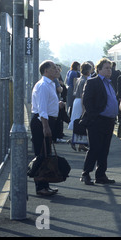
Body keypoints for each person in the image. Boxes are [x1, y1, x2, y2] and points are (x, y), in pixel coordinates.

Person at [80, 58, 118, 185]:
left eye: (110, 68)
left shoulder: (109, 83)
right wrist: (94, 116)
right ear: (99, 69)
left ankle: (101, 175)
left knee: (104, 149)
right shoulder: (93, 82)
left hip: (109, 121)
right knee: (94, 148)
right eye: (107, 68)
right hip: (97, 121)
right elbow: (87, 101)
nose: (109, 70)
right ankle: (85, 174)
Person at [30, 60, 65, 196]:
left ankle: (45, 184)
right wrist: (45, 127)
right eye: (54, 68)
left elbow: (48, 104)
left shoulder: (50, 84)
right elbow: (42, 109)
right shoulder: (43, 85)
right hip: (41, 122)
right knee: (41, 154)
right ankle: (40, 187)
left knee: (46, 154)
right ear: (46, 70)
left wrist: (58, 104)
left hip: (47, 120)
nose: (57, 70)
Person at [68, 61, 92, 152]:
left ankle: (80, 143)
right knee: (81, 122)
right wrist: (84, 108)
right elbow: (83, 95)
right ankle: (74, 141)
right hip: (81, 102)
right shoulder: (85, 81)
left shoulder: (79, 79)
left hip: (76, 101)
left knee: (78, 122)